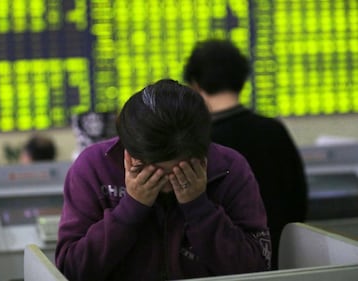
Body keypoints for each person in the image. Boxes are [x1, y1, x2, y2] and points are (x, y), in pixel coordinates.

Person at [55, 79, 271, 281]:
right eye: (152, 173)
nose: (167, 186)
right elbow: (72, 271)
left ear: (203, 156)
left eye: (180, 171)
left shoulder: (230, 169)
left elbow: (257, 271)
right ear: (128, 153)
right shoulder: (93, 166)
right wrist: (130, 209)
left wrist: (199, 208)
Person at [183, 39, 308, 270]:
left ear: (195, 84)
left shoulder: (199, 142)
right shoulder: (274, 131)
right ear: (242, 79)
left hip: (223, 264)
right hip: (281, 261)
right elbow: (298, 200)